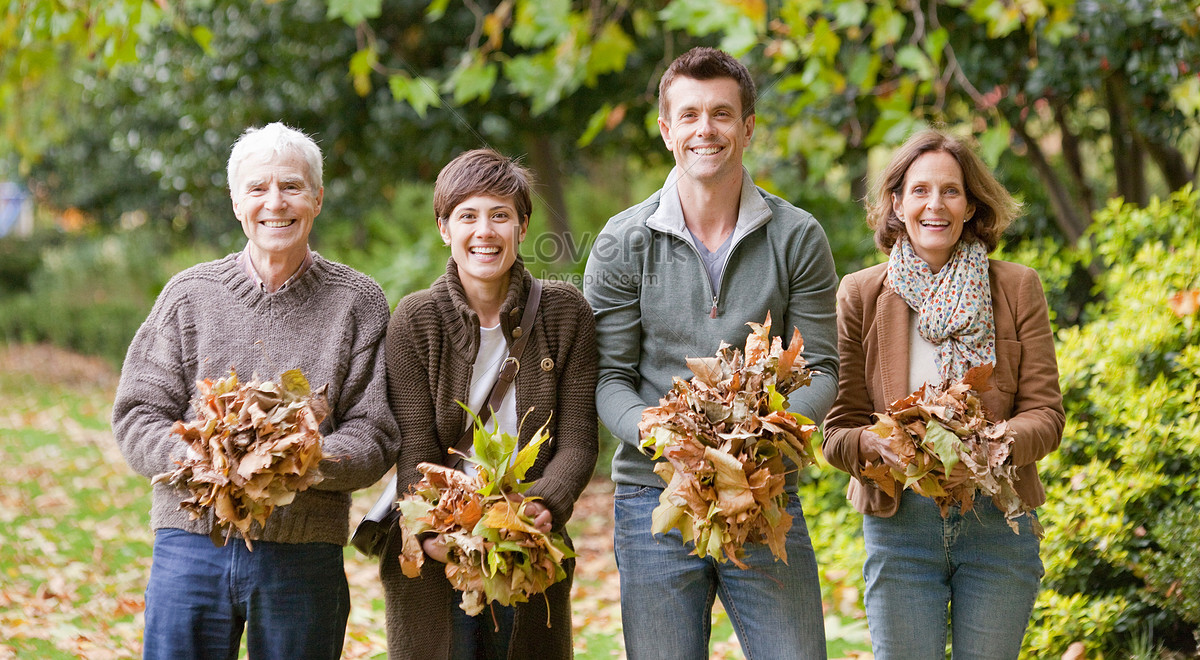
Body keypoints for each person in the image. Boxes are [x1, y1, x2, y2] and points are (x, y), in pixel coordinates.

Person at [583, 46, 839, 659]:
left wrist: (761, 439)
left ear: (747, 127)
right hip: (655, 494)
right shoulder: (623, 240)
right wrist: (662, 439)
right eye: (690, 115)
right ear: (667, 129)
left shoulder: (797, 235)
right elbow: (609, 379)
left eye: (722, 114)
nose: (707, 130)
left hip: (764, 486)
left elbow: (823, 368)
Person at [112, 121, 401, 660]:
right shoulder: (189, 295)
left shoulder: (357, 302)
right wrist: (204, 459)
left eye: (291, 186)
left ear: (316, 198)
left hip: (304, 551)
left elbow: (378, 432)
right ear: (235, 202)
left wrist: (296, 460)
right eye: (258, 188)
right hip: (191, 543)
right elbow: (137, 412)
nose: (276, 202)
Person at [822, 129, 1066, 659]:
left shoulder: (1016, 286)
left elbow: (1046, 416)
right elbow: (836, 431)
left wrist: (985, 453)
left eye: (951, 191)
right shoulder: (861, 295)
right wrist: (878, 445)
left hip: (997, 520)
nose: (936, 204)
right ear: (896, 203)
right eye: (920, 190)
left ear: (972, 204)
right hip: (900, 525)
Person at [380, 148, 598, 660]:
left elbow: (579, 439)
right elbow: (415, 446)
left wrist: (544, 503)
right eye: (468, 216)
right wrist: (435, 528)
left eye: (500, 215)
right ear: (443, 228)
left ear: (523, 227)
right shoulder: (415, 321)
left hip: (530, 534)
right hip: (443, 539)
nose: (485, 231)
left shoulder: (566, 314)